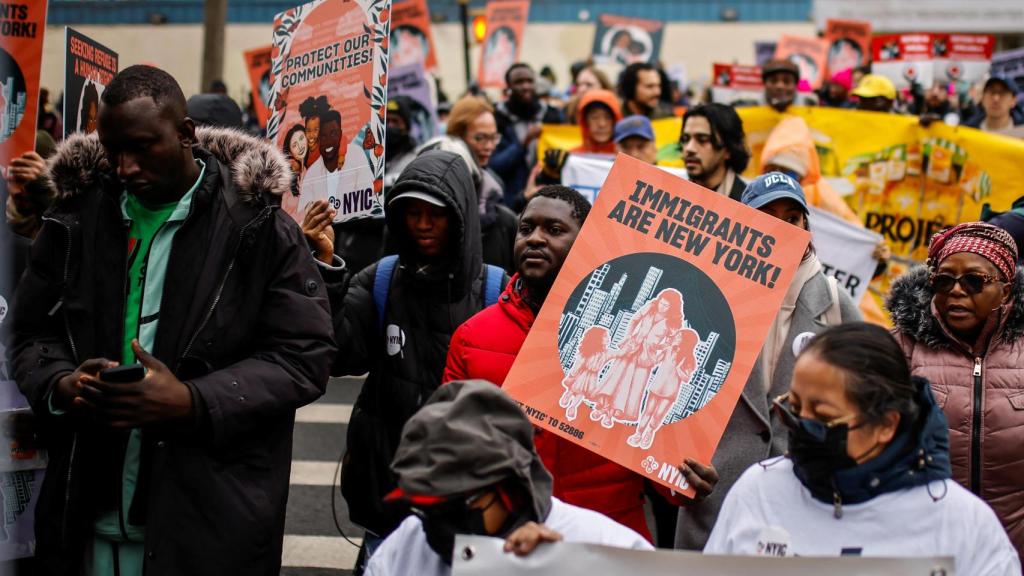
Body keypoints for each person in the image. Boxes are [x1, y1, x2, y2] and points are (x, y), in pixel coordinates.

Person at [9, 64, 335, 575]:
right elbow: (30, 333)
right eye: (113, 150)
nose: (124, 167)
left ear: (185, 135)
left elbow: (302, 356)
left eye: (141, 148)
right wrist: (61, 383)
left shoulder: (256, 226)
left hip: (206, 522)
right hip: (84, 515)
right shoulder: (74, 219)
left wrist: (192, 401)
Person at [443, 186, 717, 543]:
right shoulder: (472, 337)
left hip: (606, 543)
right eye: (526, 229)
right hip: (507, 542)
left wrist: (689, 480)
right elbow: (447, 450)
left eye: (554, 230)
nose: (536, 239)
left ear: (587, 242)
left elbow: (668, 484)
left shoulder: (619, 338)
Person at [705, 324, 1020, 575]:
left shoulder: (961, 521)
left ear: (885, 425)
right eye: (793, 409)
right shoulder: (758, 490)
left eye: (825, 417)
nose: (801, 427)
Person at [321, 150, 509, 570]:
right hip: (388, 491)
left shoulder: (497, 291)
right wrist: (329, 274)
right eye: (413, 213)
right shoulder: (382, 279)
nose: (423, 225)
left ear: (460, 216)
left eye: (436, 214)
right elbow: (338, 353)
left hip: (469, 495)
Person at [676, 172, 860, 550]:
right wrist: (672, 465)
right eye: (768, 218)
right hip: (712, 499)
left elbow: (866, 403)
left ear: (806, 226)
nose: (783, 230)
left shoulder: (835, 301)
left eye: (792, 219)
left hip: (805, 505)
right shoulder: (705, 293)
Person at [365, 380, 652, 576]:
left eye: (452, 506)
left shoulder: (605, 549)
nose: (436, 521)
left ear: (508, 487)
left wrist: (560, 566)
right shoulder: (406, 544)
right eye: (425, 508)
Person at [887, 222, 1024, 558]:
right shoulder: (904, 347)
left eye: (974, 281)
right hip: (924, 545)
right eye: (944, 281)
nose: (956, 292)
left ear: (1005, 290)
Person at [759, 115, 890, 325]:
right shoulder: (754, 197)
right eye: (773, 170)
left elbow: (856, 247)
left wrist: (876, 257)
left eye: (790, 173)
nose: (781, 178)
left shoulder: (823, 195)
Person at [491, 63, 563, 207]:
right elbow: (496, 165)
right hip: (511, 202)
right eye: (519, 82)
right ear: (508, 87)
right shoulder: (497, 118)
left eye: (529, 81)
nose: (525, 86)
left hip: (548, 200)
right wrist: (524, 142)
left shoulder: (552, 115)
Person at [300, 108, 373, 218]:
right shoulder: (311, 173)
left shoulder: (356, 155)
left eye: (333, 134)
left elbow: (369, 201)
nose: (328, 141)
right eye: (323, 136)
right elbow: (303, 216)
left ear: (340, 134)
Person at [680, 104, 749, 200]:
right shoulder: (670, 193)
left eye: (702, 139)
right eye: (685, 139)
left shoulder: (748, 205)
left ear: (728, 149)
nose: (689, 148)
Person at [382, 97, 419, 191]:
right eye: (387, 121)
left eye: (395, 121)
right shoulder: (373, 158)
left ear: (407, 127)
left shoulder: (416, 160)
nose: (390, 126)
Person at [299, 95, 328, 168]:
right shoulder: (303, 152)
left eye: (316, 130)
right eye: (308, 130)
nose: (311, 135)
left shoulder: (325, 147)